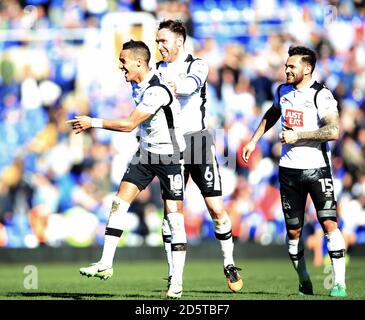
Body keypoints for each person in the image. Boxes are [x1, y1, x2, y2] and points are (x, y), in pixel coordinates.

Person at [67, 40, 187, 299]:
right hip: (145, 153)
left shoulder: (157, 90)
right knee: (119, 203)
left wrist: (92, 122)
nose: (120, 66)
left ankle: (176, 280)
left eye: (123, 61)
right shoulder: (136, 84)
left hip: (170, 156)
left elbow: (130, 124)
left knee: (173, 219)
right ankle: (105, 263)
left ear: (139, 63)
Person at [242, 46, 347, 297]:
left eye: (292, 66)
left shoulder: (321, 95)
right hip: (289, 171)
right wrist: (253, 140)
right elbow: (272, 113)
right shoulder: (283, 90)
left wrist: (298, 135)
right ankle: (304, 280)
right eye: (286, 66)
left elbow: (333, 131)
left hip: (317, 168)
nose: (286, 69)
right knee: (293, 230)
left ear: (307, 68)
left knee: (329, 223)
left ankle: (339, 283)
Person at [156, 20, 243, 293]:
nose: (159, 47)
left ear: (179, 42)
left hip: (197, 142)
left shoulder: (198, 65)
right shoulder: (156, 69)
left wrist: (167, 85)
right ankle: (174, 276)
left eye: (163, 41)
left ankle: (228, 262)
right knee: (171, 213)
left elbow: (189, 86)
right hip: (170, 144)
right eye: (157, 41)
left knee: (216, 209)